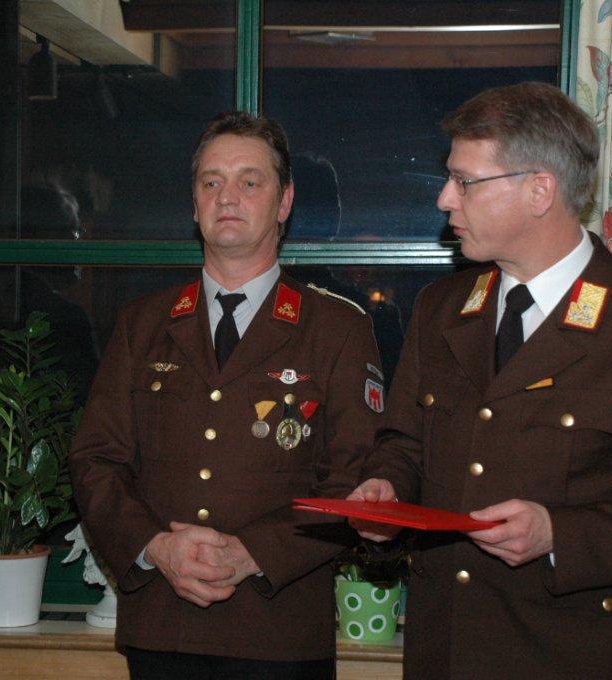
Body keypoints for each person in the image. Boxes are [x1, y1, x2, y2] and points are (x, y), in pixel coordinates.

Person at [350, 82, 612, 679]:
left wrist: (560, 534)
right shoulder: (441, 309)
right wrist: (386, 490)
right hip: (443, 653)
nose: (444, 199)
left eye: (465, 181)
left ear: (539, 190)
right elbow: (405, 443)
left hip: (574, 657)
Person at [70, 111, 384, 678]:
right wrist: (154, 546)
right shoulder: (144, 323)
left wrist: (252, 553)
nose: (227, 196)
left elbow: (353, 480)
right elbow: (96, 459)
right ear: (194, 205)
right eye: (211, 182)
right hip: (163, 626)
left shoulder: (337, 328)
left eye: (249, 181)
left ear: (284, 202)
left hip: (278, 632)